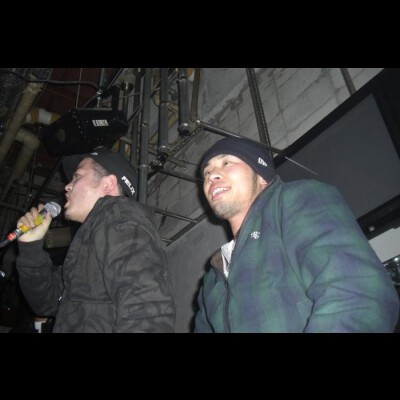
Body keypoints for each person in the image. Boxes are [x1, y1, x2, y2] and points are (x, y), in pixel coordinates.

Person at [195, 136, 400, 332]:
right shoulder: (212, 279)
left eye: (226, 163)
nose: (211, 176)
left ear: (261, 175)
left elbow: (358, 294)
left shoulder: (294, 201)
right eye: (207, 173)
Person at [15, 149, 175, 333]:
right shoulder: (93, 238)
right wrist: (31, 247)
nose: (67, 186)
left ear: (108, 184)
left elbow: (147, 309)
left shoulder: (119, 218)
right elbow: (46, 304)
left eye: (77, 176)